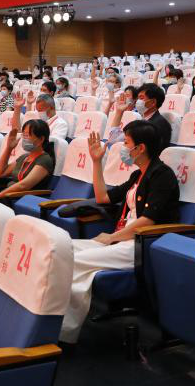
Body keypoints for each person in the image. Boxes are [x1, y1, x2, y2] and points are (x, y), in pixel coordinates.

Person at [62, 122, 180, 343]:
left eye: (126, 143)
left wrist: (111, 237)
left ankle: (64, 333)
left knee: (73, 261)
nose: (123, 148)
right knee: (63, 250)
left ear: (140, 148)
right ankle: (64, 324)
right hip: (121, 240)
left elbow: (148, 221)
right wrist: (96, 161)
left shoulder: (162, 175)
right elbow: (102, 198)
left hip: (140, 245)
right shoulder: (137, 176)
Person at [0, 119, 56, 200]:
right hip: (9, 196)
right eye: (23, 135)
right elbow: (0, 173)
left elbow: (24, 185)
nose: (24, 139)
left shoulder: (45, 159)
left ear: (41, 139)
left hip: (22, 199)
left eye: (27, 135)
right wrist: (9, 148)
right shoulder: (25, 157)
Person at [108, 83, 172, 156]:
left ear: (153, 102)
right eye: (138, 98)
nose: (138, 101)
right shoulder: (139, 121)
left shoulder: (159, 125)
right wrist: (119, 112)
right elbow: (114, 139)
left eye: (141, 98)